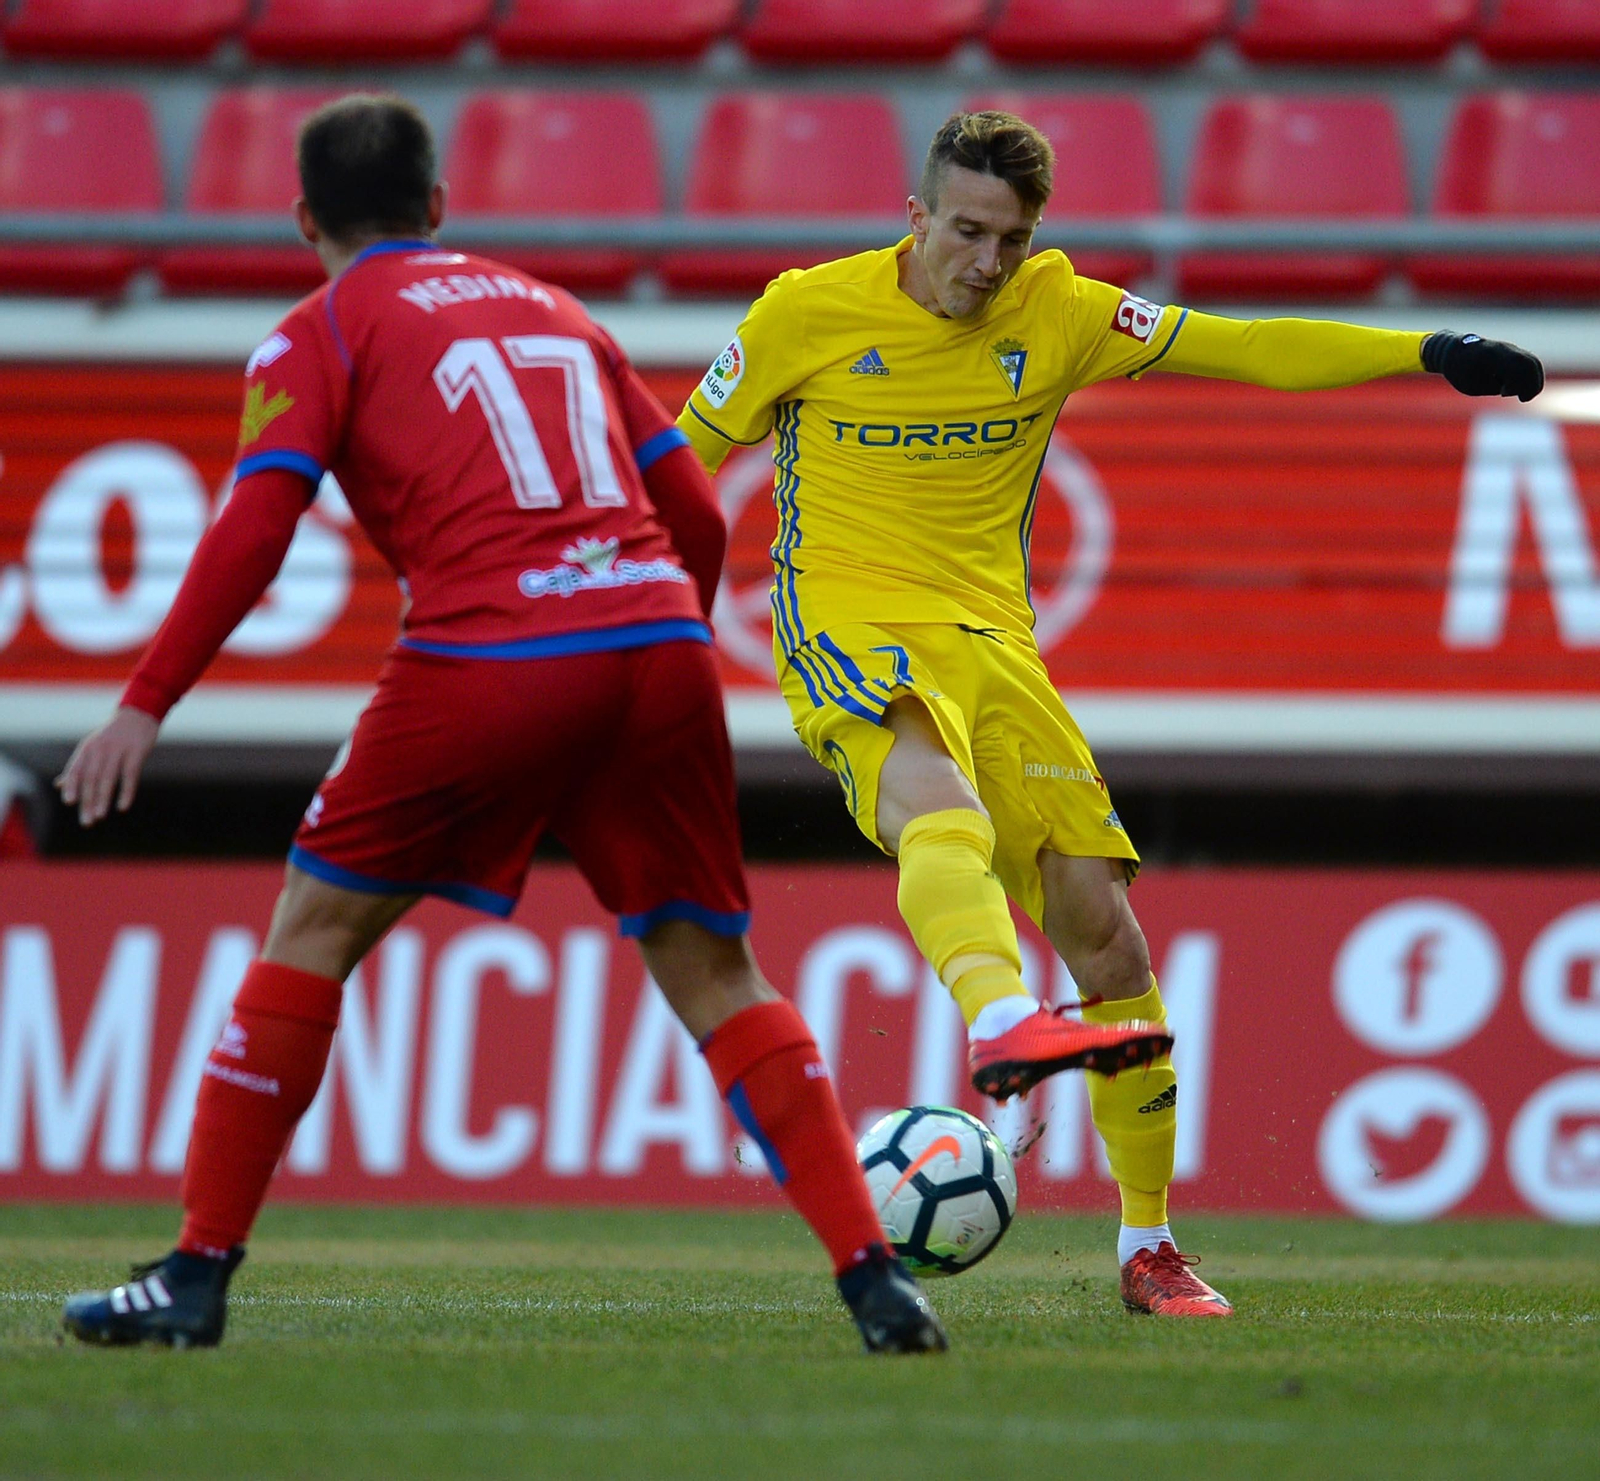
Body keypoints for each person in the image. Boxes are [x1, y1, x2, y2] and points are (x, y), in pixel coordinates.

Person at [56, 94, 946, 1356]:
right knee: (714, 968)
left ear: (304, 219)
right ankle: (875, 1279)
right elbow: (691, 503)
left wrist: (143, 703)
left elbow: (258, 523)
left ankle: (195, 1274)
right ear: (436, 208)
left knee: (311, 927)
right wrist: (655, 645)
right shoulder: (553, 311)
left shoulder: (318, 332)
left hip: (494, 647)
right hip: (652, 638)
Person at [676, 110, 1545, 1319]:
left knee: (1109, 936)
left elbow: (1244, 346)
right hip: (845, 616)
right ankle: (1002, 1018)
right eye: (966, 231)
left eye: (1012, 237)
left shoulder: (1062, 308)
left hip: (995, 642)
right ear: (915, 217)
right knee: (939, 797)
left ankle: (1148, 1245)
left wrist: (1423, 350)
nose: (987, 260)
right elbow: (680, 459)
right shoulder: (800, 313)